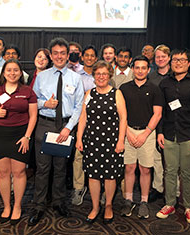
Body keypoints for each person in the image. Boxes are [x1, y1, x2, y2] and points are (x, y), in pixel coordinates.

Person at [28, 37, 84, 226]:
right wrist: (45, 103)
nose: (59, 56)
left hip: (65, 127)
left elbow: (79, 107)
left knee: (60, 169)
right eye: (56, 53)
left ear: (68, 56)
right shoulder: (41, 77)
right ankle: (38, 205)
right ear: (50, 56)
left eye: (63, 53)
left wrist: (69, 128)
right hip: (45, 124)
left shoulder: (76, 78)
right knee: (42, 169)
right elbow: (32, 102)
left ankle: (59, 202)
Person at [0, 59, 38, 225]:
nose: (12, 73)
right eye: (9, 70)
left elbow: (33, 116)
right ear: (4, 73)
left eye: (15, 70)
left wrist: (27, 137)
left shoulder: (27, 91)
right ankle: (6, 206)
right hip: (0, 136)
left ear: (20, 73)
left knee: (19, 173)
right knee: (3, 173)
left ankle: (17, 207)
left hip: (21, 136)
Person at [156, 48, 190, 225]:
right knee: (169, 171)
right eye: (175, 60)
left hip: (189, 135)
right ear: (170, 62)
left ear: (189, 63)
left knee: (187, 173)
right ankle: (170, 203)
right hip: (169, 134)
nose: (178, 63)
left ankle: (189, 207)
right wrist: (160, 132)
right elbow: (160, 111)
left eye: (182, 60)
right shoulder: (164, 84)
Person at [76, 60, 127, 224]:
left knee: (110, 176)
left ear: (109, 75)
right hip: (92, 141)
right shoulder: (89, 93)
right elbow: (83, 117)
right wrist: (79, 138)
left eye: (104, 73)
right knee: (93, 176)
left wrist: (120, 141)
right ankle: (95, 207)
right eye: (98, 74)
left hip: (111, 142)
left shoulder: (116, 93)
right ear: (94, 75)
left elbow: (123, 118)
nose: (101, 76)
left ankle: (109, 206)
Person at [119, 55, 163, 219]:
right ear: (132, 69)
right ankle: (128, 200)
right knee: (129, 168)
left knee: (145, 169)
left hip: (148, 133)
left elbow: (157, 114)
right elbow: (120, 114)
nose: (140, 70)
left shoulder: (154, 88)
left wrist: (145, 134)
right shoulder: (123, 88)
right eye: (137, 67)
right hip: (127, 131)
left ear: (148, 69)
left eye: (143, 68)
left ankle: (143, 202)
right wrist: (128, 132)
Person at [71, 44, 98, 206]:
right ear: (82, 57)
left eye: (92, 55)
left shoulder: (101, 74)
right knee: (78, 155)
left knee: (98, 155)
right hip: (80, 120)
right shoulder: (75, 76)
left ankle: (98, 187)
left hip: (99, 123)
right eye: (86, 55)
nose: (89, 58)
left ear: (96, 58)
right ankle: (79, 187)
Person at [147, 44, 173, 202]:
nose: (160, 59)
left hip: (171, 122)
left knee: (171, 161)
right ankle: (158, 188)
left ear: (169, 58)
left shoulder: (176, 75)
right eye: (157, 57)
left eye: (163, 56)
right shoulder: (151, 77)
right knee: (156, 159)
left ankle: (172, 191)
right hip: (154, 121)